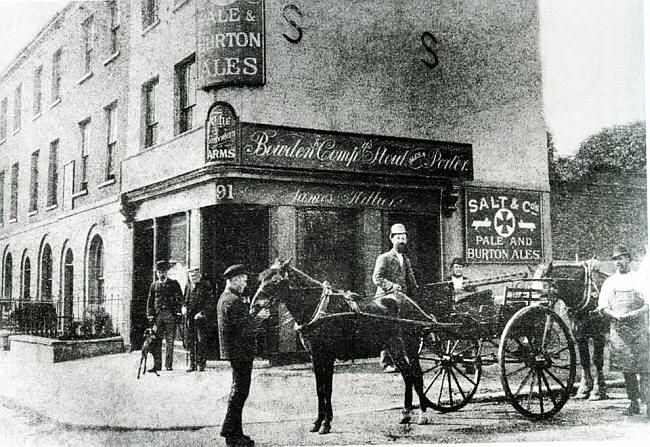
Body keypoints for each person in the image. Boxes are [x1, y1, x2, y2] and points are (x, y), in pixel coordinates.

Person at [218, 264, 270, 447]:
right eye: (243, 281)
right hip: (240, 352)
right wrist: (260, 317)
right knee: (239, 393)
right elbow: (245, 328)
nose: (245, 284)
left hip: (238, 352)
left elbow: (241, 323)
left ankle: (236, 433)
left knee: (239, 392)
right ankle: (231, 435)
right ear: (234, 280)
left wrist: (253, 315)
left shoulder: (228, 299)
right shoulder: (232, 301)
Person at [597, 245, 649, 418]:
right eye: (616, 259)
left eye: (622, 258)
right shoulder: (610, 282)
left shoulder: (640, 279)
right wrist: (615, 315)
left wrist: (635, 313)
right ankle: (633, 403)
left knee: (645, 368)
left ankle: (648, 404)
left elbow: (648, 304)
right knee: (627, 369)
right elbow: (603, 306)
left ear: (629, 259)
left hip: (639, 329)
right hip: (619, 332)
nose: (618, 262)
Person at [372, 223, 419, 372]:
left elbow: (411, 280)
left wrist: (417, 293)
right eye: (398, 238)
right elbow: (377, 277)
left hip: (401, 299)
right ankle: (386, 363)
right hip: (385, 299)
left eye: (403, 238)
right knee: (388, 328)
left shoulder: (406, 259)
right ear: (392, 239)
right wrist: (392, 286)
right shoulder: (384, 258)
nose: (401, 241)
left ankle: (401, 359)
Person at [146, 260, 183, 372]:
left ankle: (168, 365)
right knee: (156, 341)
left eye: (163, 272)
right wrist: (150, 315)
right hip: (158, 317)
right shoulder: (154, 285)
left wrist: (177, 312)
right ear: (156, 273)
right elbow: (150, 301)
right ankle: (157, 365)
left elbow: (179, 299)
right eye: (159, 272)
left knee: (170, 341)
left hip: (170, 316)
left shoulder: (174, 284)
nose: (161, 274)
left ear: (167, 272)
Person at [183, 269, 216, 372]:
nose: (193, 278)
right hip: (190, 317)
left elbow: (210, 302)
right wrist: (183, 307)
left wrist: (202, 313)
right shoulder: (188, 286)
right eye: (191, 276)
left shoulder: (205, 286)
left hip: (201, 318)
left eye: (195, 276)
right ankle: (192, 364)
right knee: (190, 341)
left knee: (201, 341)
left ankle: (201, 364)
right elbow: (185, 300)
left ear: (199, 276)